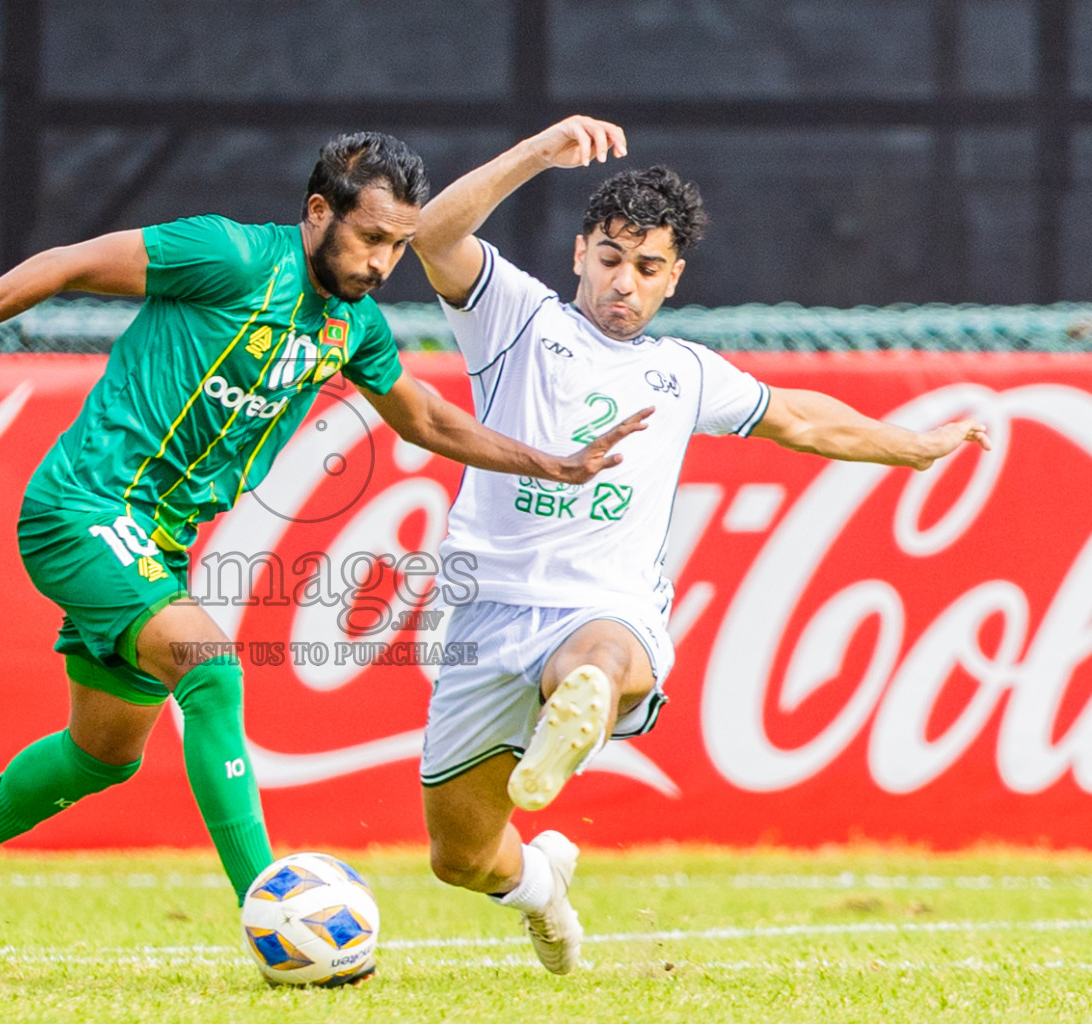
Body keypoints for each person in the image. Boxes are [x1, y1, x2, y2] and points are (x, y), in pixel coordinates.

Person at [0, 130, 644, 984]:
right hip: (82, 509)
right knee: (211, 667)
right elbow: (63, 265)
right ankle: (275, 913)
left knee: (102, 753)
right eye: (370, 238)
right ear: (319, 212)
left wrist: (552, 464)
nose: (382, 263)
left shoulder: (353, 326)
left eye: (399, 245)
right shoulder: (227, 256)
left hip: (160, 544)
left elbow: (427, 418)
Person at [409, 115, 993, 975]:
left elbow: (800, 418)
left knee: (598, 659)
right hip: (484, 611)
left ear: (673, 277)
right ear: (579, 254)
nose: (624, 282)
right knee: (459, 858)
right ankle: (541, 884)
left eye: (648, 268)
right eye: (611, 258)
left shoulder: (683, 372)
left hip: (600, 608)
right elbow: (432, 235)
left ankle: (584, 698)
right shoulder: (515, 321)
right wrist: (538, 152)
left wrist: (910, 446)